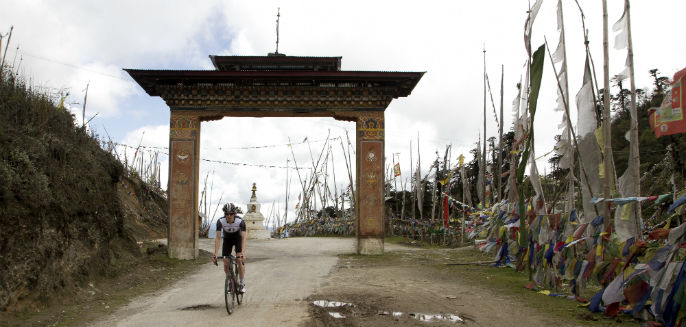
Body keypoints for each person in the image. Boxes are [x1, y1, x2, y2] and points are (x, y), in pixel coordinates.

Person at [212, 203, 247, 293]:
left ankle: (242, 283)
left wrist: (243, 252)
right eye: (227, 214)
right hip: (227, 239)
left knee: (239, 260)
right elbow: (218, 238)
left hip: (237, 239)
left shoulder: (240, 221)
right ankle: (230, 281)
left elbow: (243, 238)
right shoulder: (220, 221)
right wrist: (215, 254)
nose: (229, 216)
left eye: (231, 214)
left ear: (235, 214)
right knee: (226, 262)